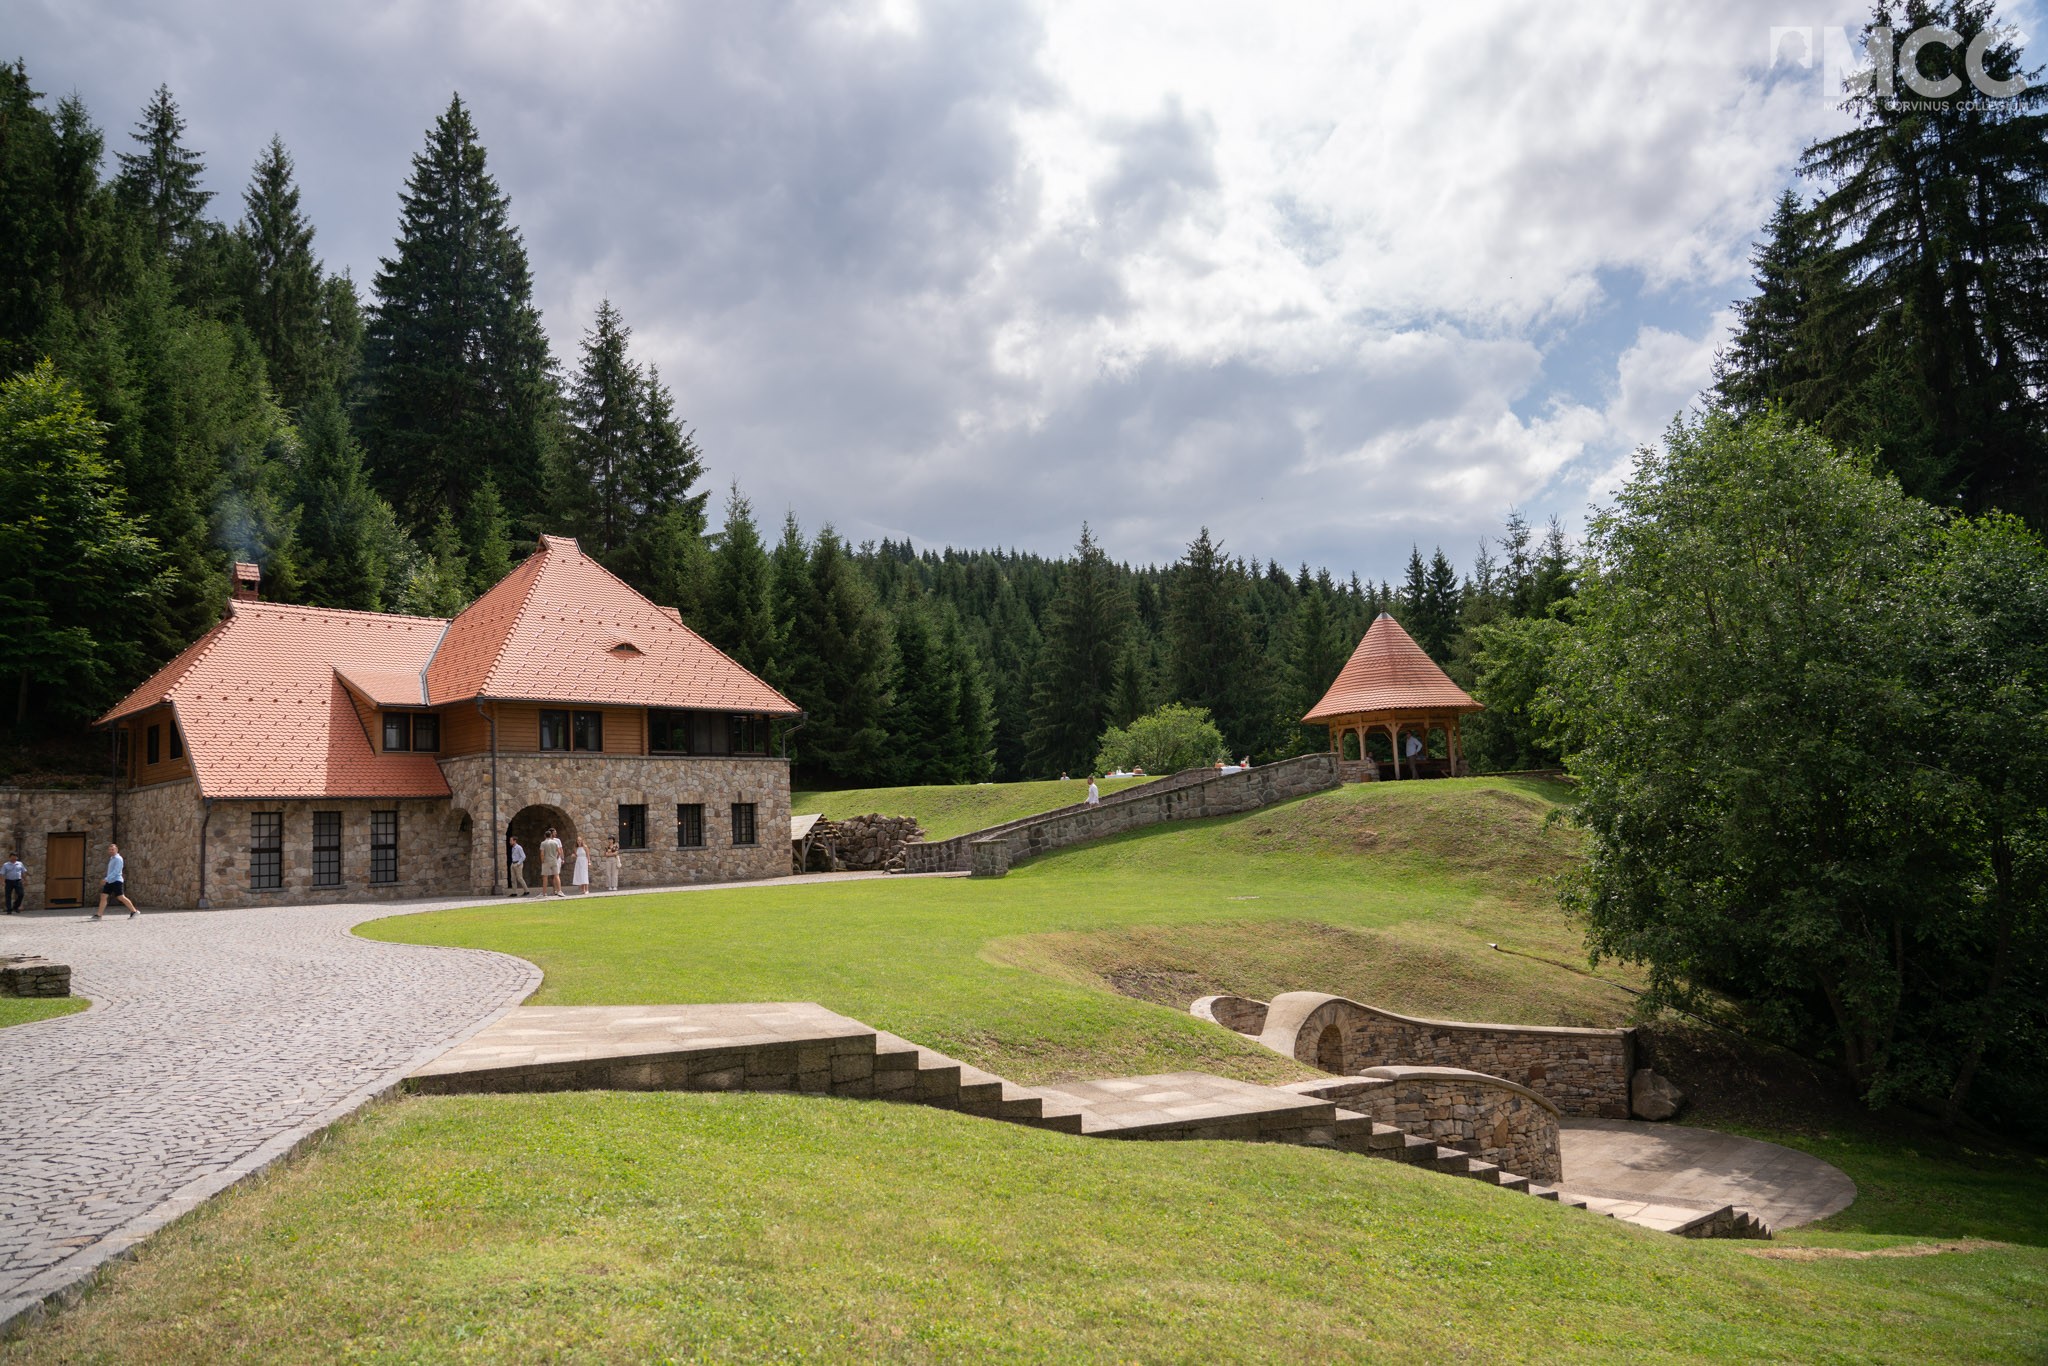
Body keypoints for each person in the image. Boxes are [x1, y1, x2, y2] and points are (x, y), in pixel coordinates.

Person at [93, 843, 138, 920]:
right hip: (110, 881)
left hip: (117, 881)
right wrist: (108, 879)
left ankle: (134, 911)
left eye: (112, 849)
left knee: (121, 897)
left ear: (116, 850)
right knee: (103, 896)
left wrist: (106, 879)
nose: (111, 851)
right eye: (110, 850)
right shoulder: (112, 858)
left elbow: (116, 871)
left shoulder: (118, 859)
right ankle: (99, 915)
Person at [539, 828, 564, 897]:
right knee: (556, 875)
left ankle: (544, 893)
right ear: (550, 835)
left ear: (545, 836)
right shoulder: (555, 842)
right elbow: (559, 852)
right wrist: (556, 858)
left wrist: (542, 861)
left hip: (546, 861)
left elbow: (542, 854)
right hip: (554, 860)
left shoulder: (543, 843)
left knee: (545, 877)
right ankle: (559, 891)